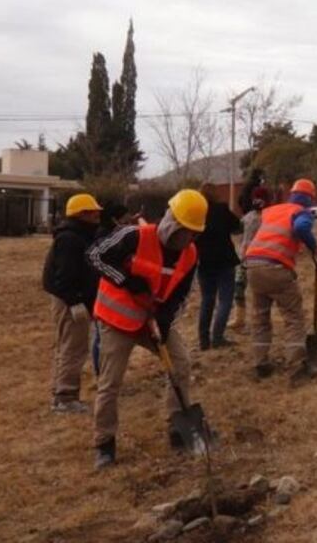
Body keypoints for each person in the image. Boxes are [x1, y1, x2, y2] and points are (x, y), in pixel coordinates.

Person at [86, 189, 207, 470]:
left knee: (181, 363)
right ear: (170, 221)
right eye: (182, 230)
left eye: (191, 233)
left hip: (151, 320)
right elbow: (94, 255)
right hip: (116, 320)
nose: (185, 238)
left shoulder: (190, 255)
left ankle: (178, 427)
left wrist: (165, 320)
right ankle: (104, 445)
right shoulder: (134, 236)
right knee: (110, 382)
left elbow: (181, 294)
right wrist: (127, 280)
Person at [245, 178, 317, 384]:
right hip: (276, 267)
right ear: (309, 198)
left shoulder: (273, 210)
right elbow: (301, 229)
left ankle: (260, 363)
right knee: (293, 317)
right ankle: (297, 367)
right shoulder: (301, 212)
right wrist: (314, 247)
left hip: (252, 265)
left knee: (260, 317)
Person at [41, 193, 103, 414]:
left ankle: (63, 393)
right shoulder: (70, 239)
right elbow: (64, 276)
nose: (97, 214)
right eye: (93, 211)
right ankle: (65, 398)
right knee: (73, 348)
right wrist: (75, 302)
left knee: (71, 347)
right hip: (69, 301)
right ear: (81, 214)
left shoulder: (80, 235)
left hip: (73, 298)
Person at [194, 185, 242, 350]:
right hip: (224, 260)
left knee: (207, 300)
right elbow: (237, 227)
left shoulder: (196, 214)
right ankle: (218, 337)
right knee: (225, 300)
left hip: (203, 262)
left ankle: (203, 340)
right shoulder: (221, 209)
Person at [229, 186, 271, 332]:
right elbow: (237, 230)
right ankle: (239, 319)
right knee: (239, 288)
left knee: (258, 292)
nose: (257, 202)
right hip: (244, 257)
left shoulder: (269, 217)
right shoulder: (248, 217)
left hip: (261, 259)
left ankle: (259, 320)